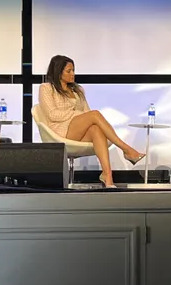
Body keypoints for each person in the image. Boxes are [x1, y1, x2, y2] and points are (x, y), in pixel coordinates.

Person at [38, 55, 145, 188]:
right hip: (59, 131)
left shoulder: (77, 90)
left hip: (77, 130)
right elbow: (52, 114)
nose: (73, 74)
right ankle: (126, 149)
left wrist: (82, 116)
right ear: (58, 71)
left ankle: (107, 175)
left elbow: (87, 113)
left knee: (96, 129)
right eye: (69, 71)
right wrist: (77, 114)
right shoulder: (47, 88)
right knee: (94, 115)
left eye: (73, 70)